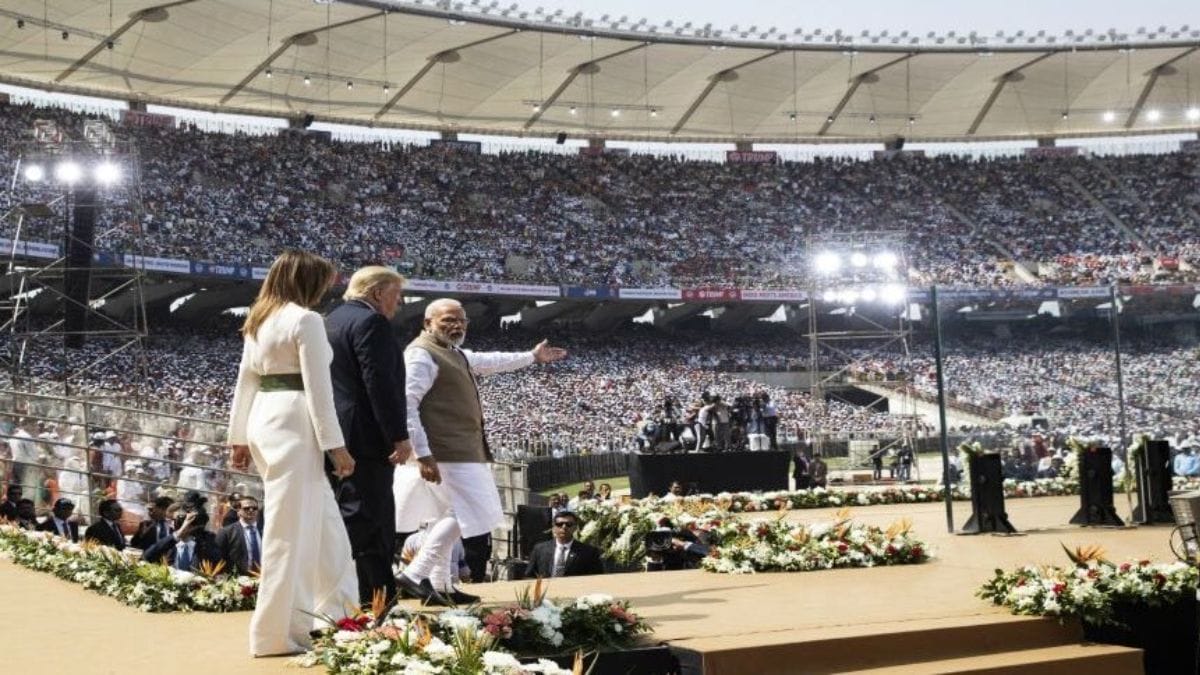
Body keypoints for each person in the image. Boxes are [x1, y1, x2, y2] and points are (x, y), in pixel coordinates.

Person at [227, 250, 359, 657]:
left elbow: (245, 383)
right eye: (322, 282)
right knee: (290, 534)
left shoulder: (258, 319)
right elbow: (320, 391)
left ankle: (339, 612)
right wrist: (336, 447)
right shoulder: (306, 319)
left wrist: (238, 437)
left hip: (265, 421)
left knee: (325, 526)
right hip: (296, 423)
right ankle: (277, 633)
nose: (325, 290)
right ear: (308, 282)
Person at [395, 298, 567, 605]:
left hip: (458, 449)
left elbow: (490, 361)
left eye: (461, 320)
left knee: (449, 517)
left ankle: (441, 585)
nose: (457, 325)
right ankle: (416, 573)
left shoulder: (453, 352)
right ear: (427, 323)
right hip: (447, 451)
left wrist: (531, 356)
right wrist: (422, 454)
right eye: (448, 320)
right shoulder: (421, 355)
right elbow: (406, 406)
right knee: (478, 511)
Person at [324, 265, 412, 605]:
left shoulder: (332, 319)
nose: (399, 303)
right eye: (396, 295)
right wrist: (398, 436)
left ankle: (351, 592)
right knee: (371, 520)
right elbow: (380, 384)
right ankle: (376, 598)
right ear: (377, 293)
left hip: (339, 434)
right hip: (366, 437)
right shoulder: (371, 322)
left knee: (351, 512)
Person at [142, 494, 222, 572]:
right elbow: (147, 556)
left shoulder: (207, 541)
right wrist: (178, 534)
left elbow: (218, 564)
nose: (169, 524)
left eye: (172, 520)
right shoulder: (169, 541)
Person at [525, 511, 604, 578]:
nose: (564, 527)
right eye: (559, 524)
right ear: (554, 527)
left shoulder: (589, 552)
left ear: (575, 527)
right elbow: (529, 575)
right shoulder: (540, 549)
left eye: (568, 524)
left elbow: (596, 578)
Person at [216, 495, 263, 576]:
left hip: (263, 580)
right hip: (238, 582)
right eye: (246, 508)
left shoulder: (265, 531)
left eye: (254, 508)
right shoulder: (226, 532)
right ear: (238, 511)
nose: (251, 510)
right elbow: (218, 558)